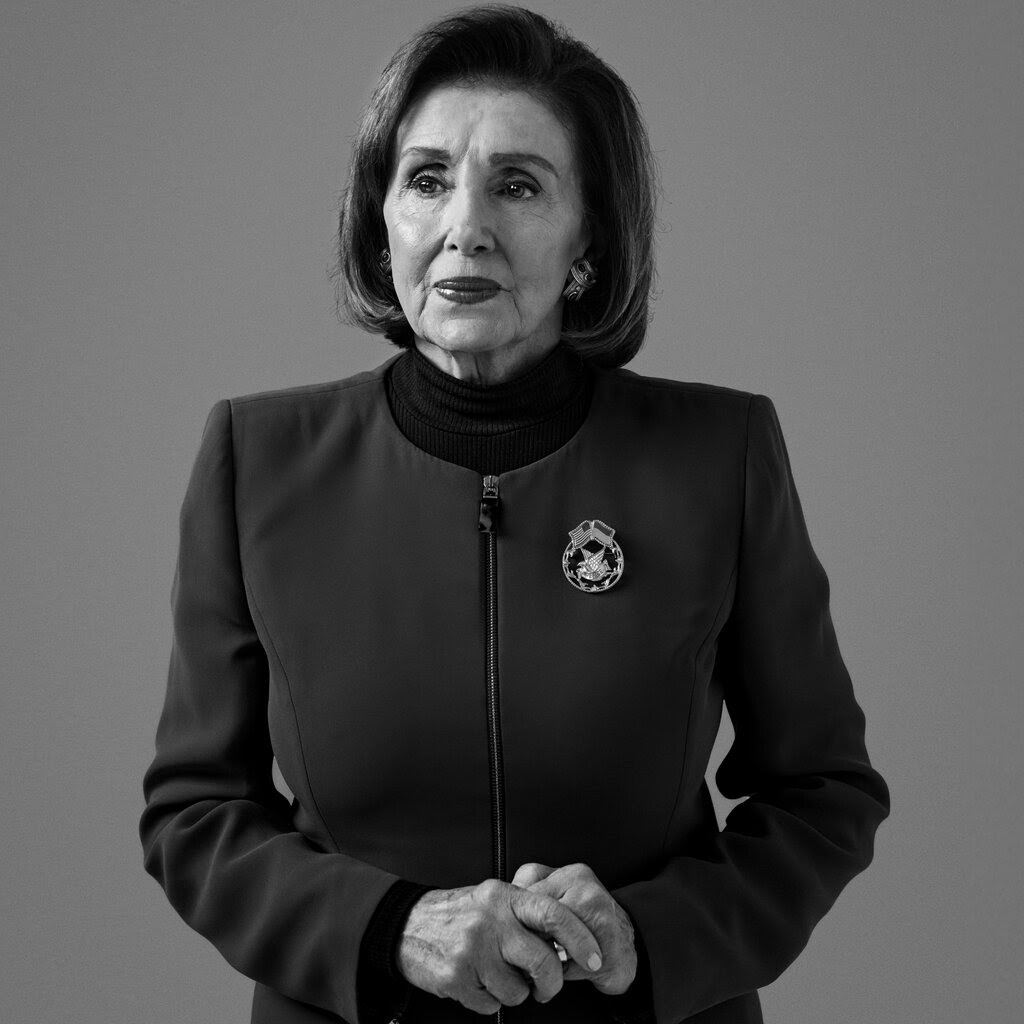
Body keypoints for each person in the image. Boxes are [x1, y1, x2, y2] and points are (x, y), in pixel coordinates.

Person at [139, 7, 889, 1024]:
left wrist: (646, 935)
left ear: (588, 240)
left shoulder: (721, 456)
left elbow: (824, 792)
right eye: (427, 179)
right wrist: (388, 928)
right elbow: (193, 813)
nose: (465, 226)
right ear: (382, 218)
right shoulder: (257, 462)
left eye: (519, 184)